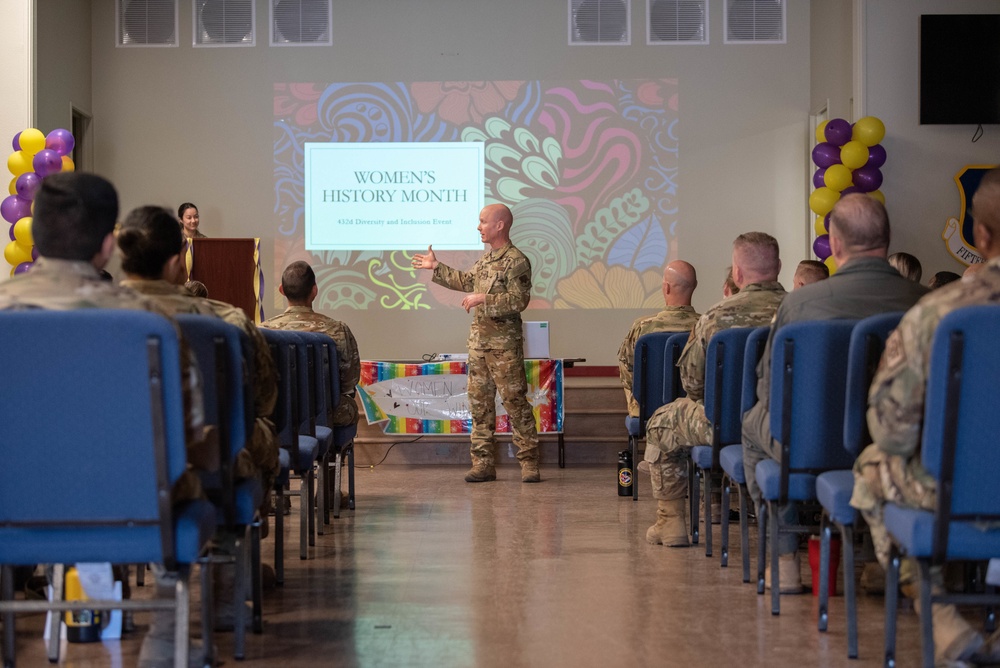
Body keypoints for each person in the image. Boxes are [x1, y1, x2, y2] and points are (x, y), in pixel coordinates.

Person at [0, 174, 211, 668]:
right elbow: (190, 432)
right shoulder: (150, 323)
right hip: (139, 512)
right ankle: (165, 638)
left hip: (13, 511)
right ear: (107, 245)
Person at [741, 194, 929, 593]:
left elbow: (768, 388)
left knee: (753, 423)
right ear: (888, 239)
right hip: (896, 446)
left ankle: (785, 557)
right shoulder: (923, 303)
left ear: (836, 244)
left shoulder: (801, 304)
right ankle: (884, 560)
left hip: (813, 446)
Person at [851, 169, 1000, 665]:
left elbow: (892, 432)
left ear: (979, 236)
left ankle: (939, 613)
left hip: (957, 491)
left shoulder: (938, 313)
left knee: (871, 467)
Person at [116, 205, 281, 632]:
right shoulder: (226, 321)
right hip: (203, 463)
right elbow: (263, 399)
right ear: (176, 261)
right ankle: (227, 587)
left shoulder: (84, 319)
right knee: (254, 435)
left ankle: (102, 596)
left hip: (97, 465)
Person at [643, 232, 787, 546]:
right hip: (790, 425)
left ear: (737, 273)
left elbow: (692, 384)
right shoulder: (800, 309)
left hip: (726, 426)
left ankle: (671, 523)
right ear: (778, 265)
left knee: (661, 422)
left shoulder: (716, 317)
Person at [411, 203, 540, 483]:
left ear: (500, 225)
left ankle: (529, 462)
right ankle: (483, 463)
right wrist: (436, 267)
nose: (478, 227)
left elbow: (520, 301)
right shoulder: (486, 261)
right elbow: (467, 281)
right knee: (480, 406)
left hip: (504, 347)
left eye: (483, 222)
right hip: (479, 345)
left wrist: (485, 299)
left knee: (515, 402)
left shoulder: (516, 261)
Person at [261, 261, 361, 428]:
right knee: (349, 406)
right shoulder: (337, 329)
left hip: (277, 413)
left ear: (281, 290)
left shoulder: (263, 331)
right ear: (314, 291)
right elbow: (349, 382)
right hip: (327, 412)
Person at [617, 261, 700, 418]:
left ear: (666, 287)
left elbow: (627, 371)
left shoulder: (642, 327)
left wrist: (637, 406)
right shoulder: (707, 326)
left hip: (649, 412)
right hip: (695, 413)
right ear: (695, 286)